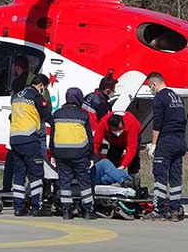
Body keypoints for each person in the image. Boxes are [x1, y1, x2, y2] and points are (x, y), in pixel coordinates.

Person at [3, 55, 50, 195]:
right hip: (34, 130)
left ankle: (9, 191)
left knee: (17, 167)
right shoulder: (38, 86)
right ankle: (38, 195)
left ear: (17, 67)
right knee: (37, 165)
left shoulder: (18, 84)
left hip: (17, 130)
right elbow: (46, 109)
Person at [144, 72, 187, 222]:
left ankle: (159, 210)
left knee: (160, 175)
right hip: (180, 140)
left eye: (150, 86)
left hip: (166, 141)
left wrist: (154, 144)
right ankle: (175, 209)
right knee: (175, 177)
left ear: (155, 84)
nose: (151, 89)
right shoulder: (177, 97)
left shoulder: (159, 98)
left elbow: (157, 123)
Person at [49, 87, 97, 220]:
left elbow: (52, 137)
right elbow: (89, 138)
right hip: (79, 153)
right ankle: (87, 211)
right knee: (84, 182)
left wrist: (53, 153)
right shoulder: (83, 115)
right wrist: (91, 155)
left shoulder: (56, 114)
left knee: (64, 182)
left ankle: (66, 211)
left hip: (61, 154)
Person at [9, 74, 52, 216]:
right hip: (29, 139)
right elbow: (46, 113)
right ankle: (36, 207)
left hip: (15, 139)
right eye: (44, 88)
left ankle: (18, 207)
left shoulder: (16, 96)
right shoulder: (36, 96)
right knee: (36, 173)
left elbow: (11, 116)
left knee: (19, 174)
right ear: (41, 85)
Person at [93, 111, 142, 176]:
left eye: (120, 129)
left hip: (132, 137)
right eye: (115, 130)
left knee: (134, 161)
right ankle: (109, 178)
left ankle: (134, 179)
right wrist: (92, 159)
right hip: (114, 141)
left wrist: (123, 166)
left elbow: (131, 148)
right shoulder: (103, 123)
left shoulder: (132, 124)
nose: (118, 133)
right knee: (112, 160)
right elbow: (96, 143)